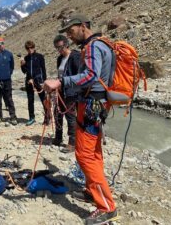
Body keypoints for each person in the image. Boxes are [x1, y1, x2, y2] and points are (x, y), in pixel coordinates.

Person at [44, 14, 117, 224]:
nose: (69, 35)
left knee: (85, 155)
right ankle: (92, 191)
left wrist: (61, 81)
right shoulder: (103, 44)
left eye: (71, 31)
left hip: (91, 105)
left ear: (83, 26)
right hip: (98, 105)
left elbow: (91, 75)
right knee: (94, 152)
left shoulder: (93, 47)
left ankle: (106, 207)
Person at [52, 35, 81, 152]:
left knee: (70, 116)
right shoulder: (60, 59)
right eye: (57, 48)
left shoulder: (75, 56)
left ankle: (72, 142)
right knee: (57, 113)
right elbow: (60, 74)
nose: (59, 50)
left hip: (71, 92)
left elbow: (79, 75)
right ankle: (58, 137)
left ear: (66, 44)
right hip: (60, 91)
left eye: (61, 47)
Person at [20, 40, 47, 126]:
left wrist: (44, 81)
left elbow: (43, 69)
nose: (30, 49)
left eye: (31, 47)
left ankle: (47, 117)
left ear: (34, 47)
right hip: (29, 81)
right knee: (30, 100)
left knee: (43, 99)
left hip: (39, 81)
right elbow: (24, 71)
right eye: (28, 48)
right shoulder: (26, 58)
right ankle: (31, 117)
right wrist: (22, 65)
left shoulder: (39, 57)